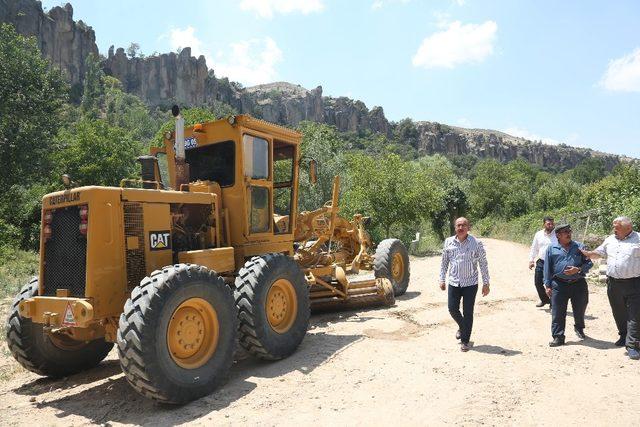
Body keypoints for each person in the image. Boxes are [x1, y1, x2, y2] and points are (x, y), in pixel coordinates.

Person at [580, 216, 640, 360]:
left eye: (617, 227)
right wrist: (588, 254)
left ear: (628, 228)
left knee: (634, 315)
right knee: (618, 312)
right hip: (613, 283)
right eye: (614, 226)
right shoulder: (610, 239)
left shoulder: (638, 239)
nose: (614, 229)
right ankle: (623, 335)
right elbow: (599, 252)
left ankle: (632, 345)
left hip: (634, 283)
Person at [439, 217, 490, 352]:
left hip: (470, 283)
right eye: (458, 225)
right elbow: (444, 262)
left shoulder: (476, 243)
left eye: (464, 225)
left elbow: (483, 263)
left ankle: (465, 341)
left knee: (468, 312)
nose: (461, 228)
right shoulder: (448, 242)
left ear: (469, 227)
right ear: (455, 228)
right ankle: (463, 327)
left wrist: (486, 283)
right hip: (454, 282)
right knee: (452, 309)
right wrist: (442, 279)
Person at [543, 223, 593, 347]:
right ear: (558, 235)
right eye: (565, 232)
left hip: (578, 283)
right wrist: (547, 285)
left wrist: (579, 269)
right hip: (559, 284)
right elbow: (547, 268)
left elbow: (589, 263)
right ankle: (558, 337)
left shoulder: (580, 246)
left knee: (580, 308)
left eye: (569, 231)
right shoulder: (551, 248)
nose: (569, 233)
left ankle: (579, 327)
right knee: (558, 311)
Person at [529, 216, 557, 308]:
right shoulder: (538, 234)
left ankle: (553, 303)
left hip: (553, 263)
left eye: (552, 223)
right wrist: (531, 260)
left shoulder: (557, 234)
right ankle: (545, 300)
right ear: (544, 224)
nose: (551, 225)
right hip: (541, 261)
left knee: (552, 283)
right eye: (548, 223)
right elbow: (534, 248)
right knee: (537, 282)